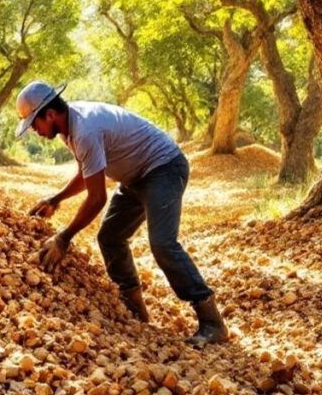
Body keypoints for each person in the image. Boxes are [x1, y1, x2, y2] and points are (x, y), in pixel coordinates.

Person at [16, 80, 228, 345]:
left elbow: (97, 198)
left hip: (164, 167)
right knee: (110, 237)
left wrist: (64, 238)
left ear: (50, 114)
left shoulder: (85, 129)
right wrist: (55, 199)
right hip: (135, 177)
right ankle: (135, 311)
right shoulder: (69, 129)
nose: (34, 131)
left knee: (162, 243)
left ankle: (212, 322)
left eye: (34, 124)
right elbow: (88, 173)